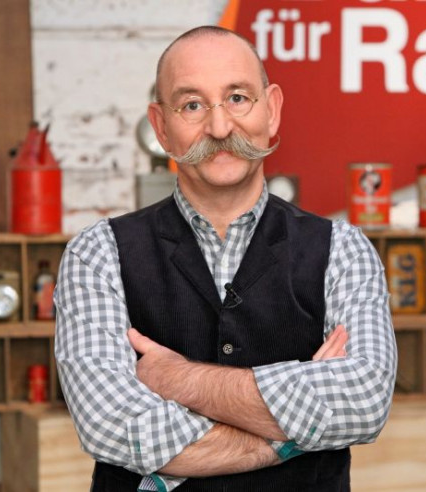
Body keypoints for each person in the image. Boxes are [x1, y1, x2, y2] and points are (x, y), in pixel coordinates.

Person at [54, 25, 397, 492]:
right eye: (192, 105)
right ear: (161, 127)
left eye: (237, 98)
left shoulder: (344, 249)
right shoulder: (96, 253)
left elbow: (363, 403)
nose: (219, 129)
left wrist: (180, 380)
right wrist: (292, 437)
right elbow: (114, 427)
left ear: (272, 110)